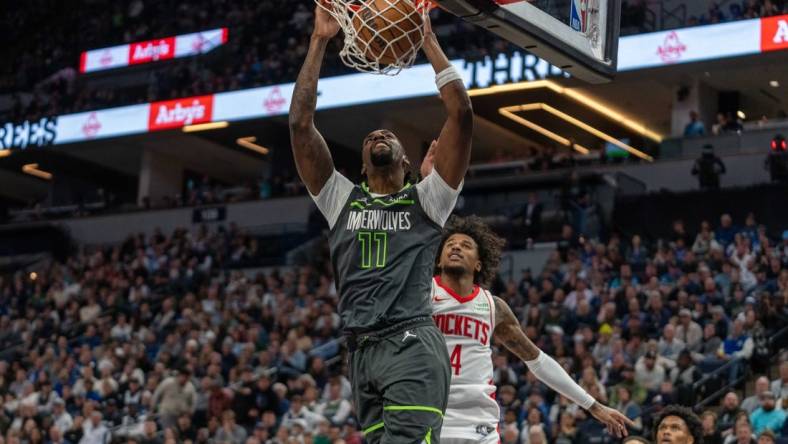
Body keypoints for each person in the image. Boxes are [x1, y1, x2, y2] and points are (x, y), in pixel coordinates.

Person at [288, 1, 473, 440]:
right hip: (361, 353)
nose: (377, 134)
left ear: (407, 162)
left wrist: (427, 39)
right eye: (370, 136)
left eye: (387, 135)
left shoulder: (428, 200)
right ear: (362, 167)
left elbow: (462, 116)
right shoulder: (340, 199)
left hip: (410, 343)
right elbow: (299, 124)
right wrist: (318, 41)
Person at [427, 215, 632, 443]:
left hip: (478, 420)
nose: (456, 246)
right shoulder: (420, 295)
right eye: (450, 244)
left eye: (466, 245)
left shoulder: (493, 307)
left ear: (479, 263)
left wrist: (592, 405)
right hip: (428, 412)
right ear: (438, 260)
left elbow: (538, 361)